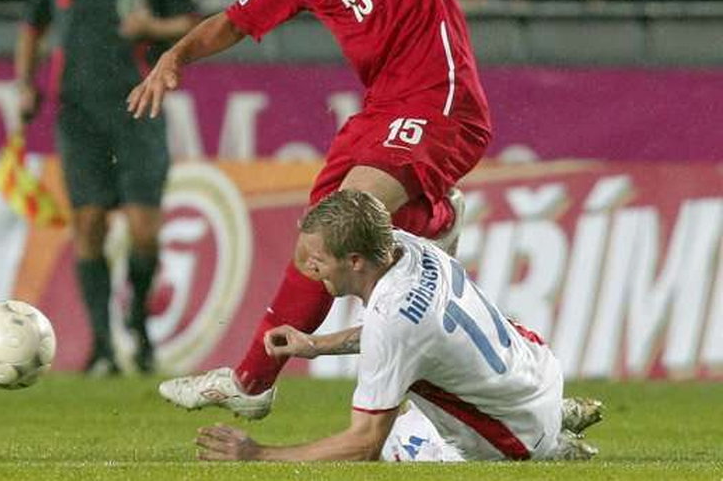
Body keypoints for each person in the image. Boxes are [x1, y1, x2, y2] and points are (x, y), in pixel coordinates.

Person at [128, 0, 491, 413]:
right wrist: (175, 55)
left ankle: (437, 220)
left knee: (342, 229)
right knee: (313, 251)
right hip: (380, 111)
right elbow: (234, 20)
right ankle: (252, 383)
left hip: (440, 98)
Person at [195, 190, 602, 462]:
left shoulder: (394, 320)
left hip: (513, 436)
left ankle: (551, 444)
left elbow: (363, 444)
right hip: (539, 372)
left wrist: (259, 454)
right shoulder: (410, 247)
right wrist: (314, 346)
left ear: (355, 261)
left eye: (319, 258)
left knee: (392, 441)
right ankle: (549, 414)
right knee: (418, 395)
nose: (311, 268)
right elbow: (406, 332)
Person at [15, 0, 199, 375]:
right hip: (78, 113)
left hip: (141, 107)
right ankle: (100, 343)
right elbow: (32, 28)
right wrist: (25, 85)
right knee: (88, 224)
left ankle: (137, 324)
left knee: (144, 230)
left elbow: (191, 23)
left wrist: (152, 25)